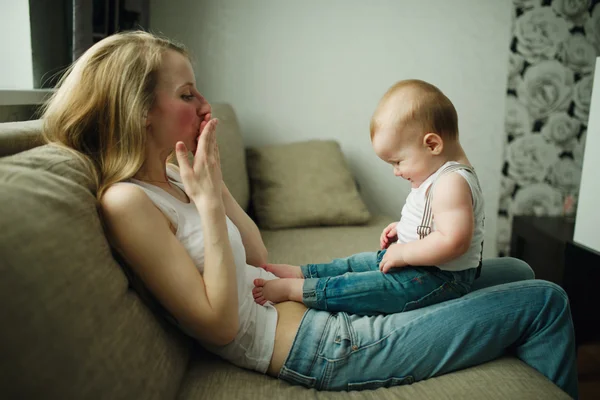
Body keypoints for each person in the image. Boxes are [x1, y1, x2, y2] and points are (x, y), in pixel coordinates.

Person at [40, 31, 579, 398]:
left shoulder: (177, 177)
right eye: (186, 93)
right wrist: (207, 204)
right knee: (546, 301)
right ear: (138, 111)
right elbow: (220, 323)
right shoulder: (127, 201)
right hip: (328, 350)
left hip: (325, 323)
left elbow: (255, 255)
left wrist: (215, 188)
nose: (204, 103)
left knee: (518, 272)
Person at [252, 80, 485, 316]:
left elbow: (454, 242)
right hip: (422, 264)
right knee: (358, 263)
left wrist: (404, 253)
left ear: (432, 144)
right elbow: (436, 220)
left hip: (440, 278)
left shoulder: (451, 182)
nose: (396, 171)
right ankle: (304, 272)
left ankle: (300, 289)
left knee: (365, 289)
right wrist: (404, 228)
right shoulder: (441, 175)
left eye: (398, 162)